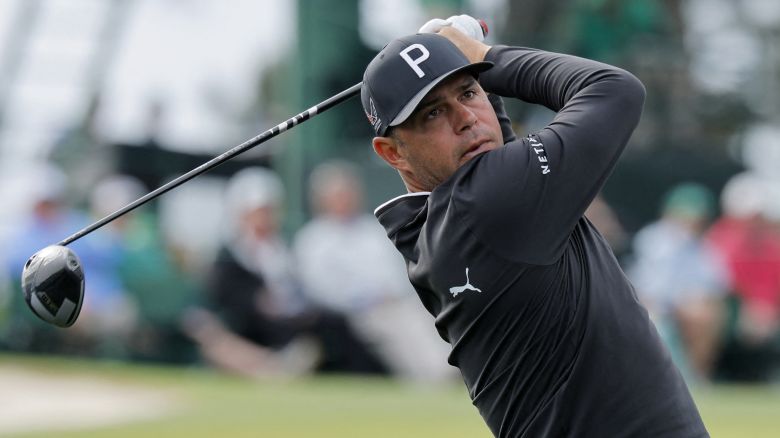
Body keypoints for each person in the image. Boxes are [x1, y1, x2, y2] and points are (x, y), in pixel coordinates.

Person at [363, 16, 707, 437]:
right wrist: (485, 57)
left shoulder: (429, 226)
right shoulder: (489, 202)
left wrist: (470, 67)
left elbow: (496, 150)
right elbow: (614, 91)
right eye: (434, 113)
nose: (466, 118)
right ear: (392, 153)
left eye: (469, 92)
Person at [294, 160, 453, 382]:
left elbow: (396, 274)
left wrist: (389, 295)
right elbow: (319, 289)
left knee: (418, 316)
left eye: (348, 193)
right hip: (352, 313)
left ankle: (445, 371)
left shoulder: (372, 229)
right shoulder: (314, 238)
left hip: (394, 304)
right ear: (323, 200)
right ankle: (433, 376)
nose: (345, 200)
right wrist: (365, 299)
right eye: (338, 195)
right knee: (397, 328)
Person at [628, 183, 728, 382]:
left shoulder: (703, 246)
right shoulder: (652, 238)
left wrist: (694, 300)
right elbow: (645, 286)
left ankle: (695, 378)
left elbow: (715, 285)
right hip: (646, 302)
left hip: (681, 307)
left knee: (709, 315)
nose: (690, 222)